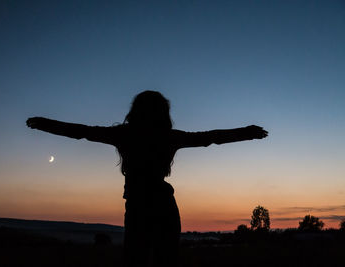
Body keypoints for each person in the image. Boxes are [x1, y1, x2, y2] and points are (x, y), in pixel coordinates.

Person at [26, 90, 268, 266]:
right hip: (161, 204)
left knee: (137, 260)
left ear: (135, 111)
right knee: (163, 260)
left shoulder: (126, 134)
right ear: (163, 113)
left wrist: (44, 124)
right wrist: (248, 133)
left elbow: (82, 133)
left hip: (139, 205)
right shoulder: (167, 135)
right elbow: (211, 137)